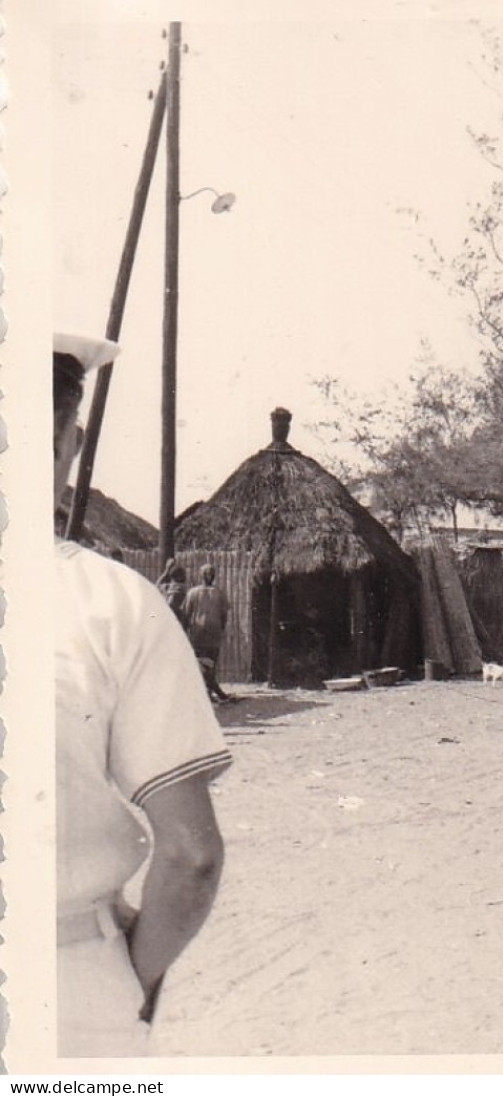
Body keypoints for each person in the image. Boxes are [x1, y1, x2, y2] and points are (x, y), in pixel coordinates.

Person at [53, 333, 231, 1056]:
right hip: (63, 979)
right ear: (70, 442)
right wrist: (131, 981)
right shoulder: (109, 602)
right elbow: (192, 855)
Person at [181, 564, 235, 703]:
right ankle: (210, 691)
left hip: (197, 632)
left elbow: (186, 613)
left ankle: (203, 691)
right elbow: (224, 615)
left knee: (199, 662)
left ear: (201, 575)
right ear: (214, 576)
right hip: (214, 631)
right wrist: (221, 628)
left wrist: (186, 630)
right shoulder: (220, 593)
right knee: (212, 662)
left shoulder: (192, 593)